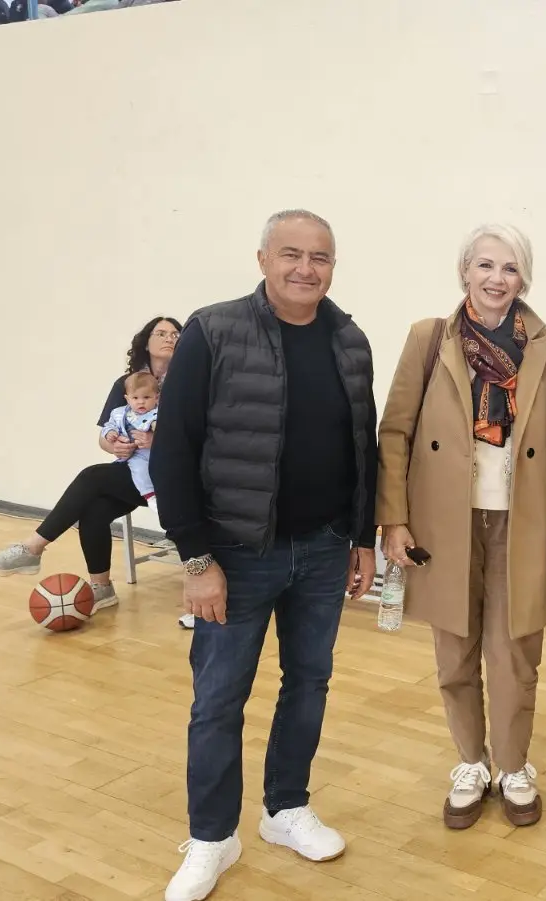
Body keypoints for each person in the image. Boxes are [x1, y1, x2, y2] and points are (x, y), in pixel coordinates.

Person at [150, 209, 379, 901]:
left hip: (323, 549)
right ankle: (212, 837)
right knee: (218, 701)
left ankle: (285, 808)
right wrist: (197, 560)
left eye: (320, 257)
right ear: (262, 259)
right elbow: (173, 450)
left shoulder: (349, 339)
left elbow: (363, 449)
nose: (306, 268)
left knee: (308, 683)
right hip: (234, 554)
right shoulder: (213, 331)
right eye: (291, 254)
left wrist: (361, 538)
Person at [377, 223, 546, 830]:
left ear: (524, 278)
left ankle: (513, 766)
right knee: (454, 651)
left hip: (522, 522)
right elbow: (395, 433)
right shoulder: (429, 338)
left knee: (514, 653)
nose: (497, 279)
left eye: (510, 268)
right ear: (465, 270)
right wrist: (393, 519)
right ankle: (470, 761)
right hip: (445, 521)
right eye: (486, 265)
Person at [0, 317, 182, 606]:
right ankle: (102, 588)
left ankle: (32, 548)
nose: (169, 338)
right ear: (146, 343)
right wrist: (116, 446)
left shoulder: (187, 382)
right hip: (135, 469)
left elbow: (200, 434)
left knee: (91, 477)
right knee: (94, 510)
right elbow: (104, 437)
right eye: (161, 333)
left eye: (175, 334)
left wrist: (158, 442)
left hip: (175, 473)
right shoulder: (126, 384)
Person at [99, 370, 159, 500]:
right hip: (134, 457)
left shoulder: (158, 412)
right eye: (135, 398)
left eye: (146, 397)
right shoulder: (120, 413)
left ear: (156, 398)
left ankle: (155, 496)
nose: (141, 402)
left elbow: (169, 428)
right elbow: (108, 427)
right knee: (93, 479)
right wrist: (111, 437)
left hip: (160, 458)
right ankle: (150, 496)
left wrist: (158, 439)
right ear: (127, 399)